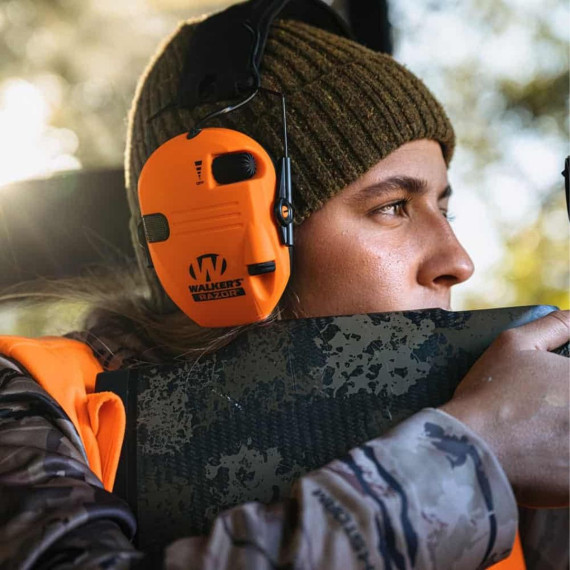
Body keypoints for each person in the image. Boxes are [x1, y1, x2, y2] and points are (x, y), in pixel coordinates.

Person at [0, 13, 568, 570]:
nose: (458, 261)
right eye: (393, 207)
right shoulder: (33, 404)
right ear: (225, 233)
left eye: (444, 209)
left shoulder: (501, 414)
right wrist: (462, 465)